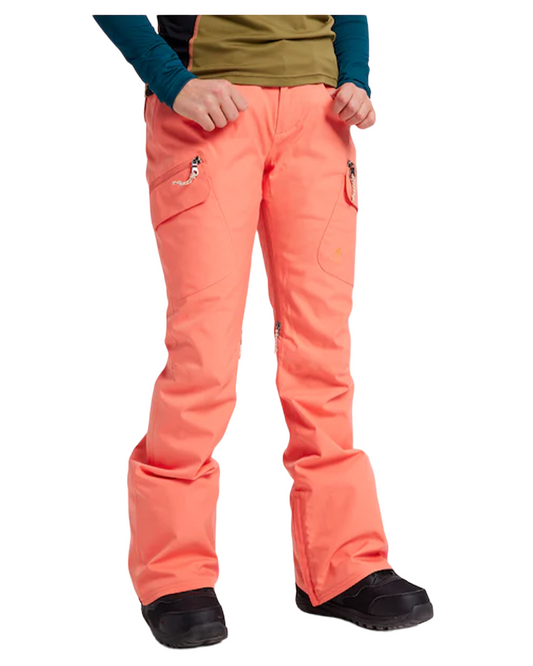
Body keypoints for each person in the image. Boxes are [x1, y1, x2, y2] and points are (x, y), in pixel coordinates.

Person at [93, 14, 434, 649]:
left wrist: (355, 76)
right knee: (204, 353)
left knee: (322, 351)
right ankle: (174, 573)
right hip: (209, 109)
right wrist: (171, 81)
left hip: (321, 116)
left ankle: (343, 564)